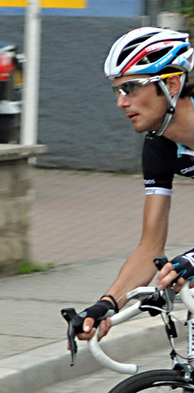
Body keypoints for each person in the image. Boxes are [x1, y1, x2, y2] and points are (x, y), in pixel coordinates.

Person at [71, 27, 194, 342]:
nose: (121, 102)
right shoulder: (160, 146)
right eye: (118, 91)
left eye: (132, 88)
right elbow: (150, 247)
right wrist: (106, 304)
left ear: (172, 84)